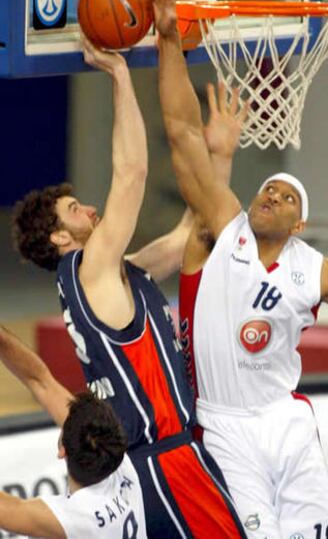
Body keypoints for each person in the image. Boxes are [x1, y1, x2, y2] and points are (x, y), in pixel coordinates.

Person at [145, 0, 328, 537]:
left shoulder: (317, 270)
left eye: (287, 196)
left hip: (287, 424)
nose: (272, 195)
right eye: (268, 188)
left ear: (301, 223)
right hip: (224, 427)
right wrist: (170, 41)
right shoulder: (226, 228)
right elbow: (180, 133)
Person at [11, 34, 246, 537]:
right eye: (74, 211)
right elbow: (133, 171)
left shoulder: (113, 276)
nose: (91, 210)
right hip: (164, 465)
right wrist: (120, 75)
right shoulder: (87, 270)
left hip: (163, 462)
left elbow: (194, 232)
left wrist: (219, 154)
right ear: (58, 237)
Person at [0, 324, 147, 538]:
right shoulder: (122, 465)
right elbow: (40, 382)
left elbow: (41, 380)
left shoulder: (77, 518)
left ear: (62, 450)